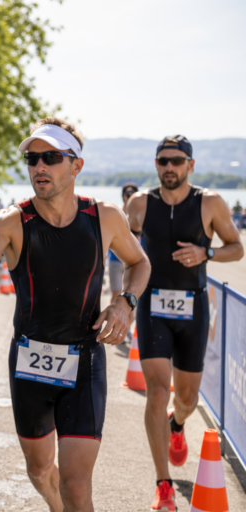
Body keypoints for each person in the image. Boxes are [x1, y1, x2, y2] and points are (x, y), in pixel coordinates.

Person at [0, 117, 150, 512]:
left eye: (50, 157)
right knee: (40, 470)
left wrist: (123, 302)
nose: (39, 167)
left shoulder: (105, 217)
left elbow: (140, 264)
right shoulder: (12, 220)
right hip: (31, 361)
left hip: (85, 359)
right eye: (32, 159)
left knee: (76, 483)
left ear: (76, 165)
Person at [126, 135, 244, 511]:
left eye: (177, 161)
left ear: (190, 165)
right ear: (156, 164)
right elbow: (125, 248)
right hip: (152, 307)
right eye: (163, 161)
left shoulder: (209, 202)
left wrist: (206, 252)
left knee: (186, 398)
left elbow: (236, 247)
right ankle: (162, 485)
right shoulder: (140, 204)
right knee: (157, 392)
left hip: (193, 308)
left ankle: (177, 426)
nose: (169, 168)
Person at [108, 182, 139, 341]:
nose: (129, 197)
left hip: (132, 262)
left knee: (130, 297)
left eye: (132, 195)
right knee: (115, 295)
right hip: (115, 260)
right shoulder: (117, 212)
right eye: (127, 194)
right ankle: (114, 326)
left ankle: (125, 327)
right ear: (122, 195)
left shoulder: (140, 215)